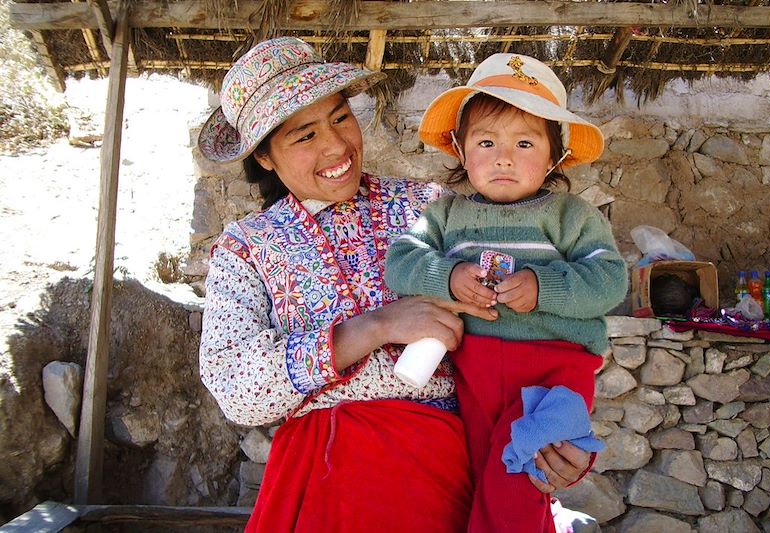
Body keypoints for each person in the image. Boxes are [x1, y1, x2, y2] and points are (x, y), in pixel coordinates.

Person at [198, 37, 597, 533]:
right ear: (264, 156)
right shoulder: (246, 248)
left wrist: (554, 433)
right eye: (304, 136)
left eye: (341, 117)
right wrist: (377, 326)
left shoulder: (432, 210)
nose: (336, 146)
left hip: (443, 473)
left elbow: (530, 328)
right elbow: (237, 388)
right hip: (319, 481)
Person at [385, 53, 628, 533]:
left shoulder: (571, 217)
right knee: (485, 474)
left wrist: (543, 286)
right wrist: (449, 277)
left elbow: (609, 282)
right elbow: (402, 263)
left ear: (555, 155)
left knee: (515, 475)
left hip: (556, 367)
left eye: (524, 142)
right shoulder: (445, 216)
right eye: (486, 141)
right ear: (459, 148)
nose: (504, 157)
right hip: (475, 367)